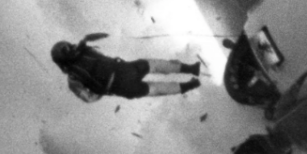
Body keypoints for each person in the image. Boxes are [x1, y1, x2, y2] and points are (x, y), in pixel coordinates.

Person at [50, 33, 201, 103]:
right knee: (153, 68)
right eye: (68, 48)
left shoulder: (73, 78)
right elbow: (102, 56)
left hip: (121, 83)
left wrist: (104, 90)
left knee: (154, 87)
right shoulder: (83, 54)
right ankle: (191, 70)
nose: (71, 48)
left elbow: (89, 98)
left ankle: (191, 83)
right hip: (123, 70)